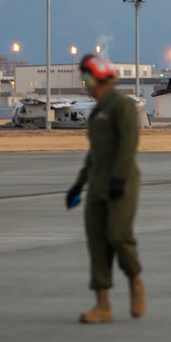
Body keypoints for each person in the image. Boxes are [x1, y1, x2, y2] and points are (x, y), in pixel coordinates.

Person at [65, 54, 145, 323]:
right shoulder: (97, 111)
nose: (85, 84)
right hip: (98, 185)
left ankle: (135, 282)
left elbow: (128, 144)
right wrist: (79, 184)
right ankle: (103, 305)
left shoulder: (121, 106)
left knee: (118, 235)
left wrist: (119, 179)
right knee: (97, 243)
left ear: (100, 78)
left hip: (121, 183)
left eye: (87, 78)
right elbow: (94, 154)